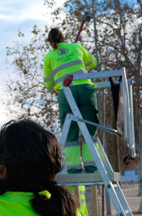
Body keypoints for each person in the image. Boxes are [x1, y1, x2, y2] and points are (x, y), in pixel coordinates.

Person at [43, 27, 100, 174]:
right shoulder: (76, 47)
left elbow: (48, 83)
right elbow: (93, 62)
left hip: (66, 93)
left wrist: (54, 88)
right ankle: (91, 166)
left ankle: (74, 168)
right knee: (90, 128)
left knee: (70, 132)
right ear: (64, 37)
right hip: (85, 89)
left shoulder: (49, 57)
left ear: (50, 42)